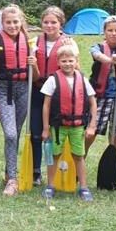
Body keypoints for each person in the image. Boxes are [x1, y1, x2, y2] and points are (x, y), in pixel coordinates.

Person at [40, 41, 98, 202]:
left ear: (76, 61)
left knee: (79, 156)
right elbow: (46, 106)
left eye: (70, 60)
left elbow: (93, 103)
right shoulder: (52, 80)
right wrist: (46, 128)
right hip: (58, 127)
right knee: (55, 154)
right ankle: (50, 185)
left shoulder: (83, 80)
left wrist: (92, 125)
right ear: (58, 62)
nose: (67, 64)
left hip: (78, 126)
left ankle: (84, 187)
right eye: (64, 61)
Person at [0, 5, 31, 196]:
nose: (12, 26)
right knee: (11, 134)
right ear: (2, 23)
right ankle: (12, 180)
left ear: (21, 22)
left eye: (15, 22)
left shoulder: (29, 41)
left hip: (23, 89)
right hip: (4, 89)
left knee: (17, 132)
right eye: (8, 22)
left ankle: (9, 173)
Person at [28, 6, 69, 186]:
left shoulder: (68, 43)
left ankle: (60, 169)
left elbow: (74, 71)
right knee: (36, 133)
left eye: (54, 22)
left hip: (58, 93)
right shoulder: (34, 43)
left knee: (58, 133)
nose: (49, 25)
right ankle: (36, 171)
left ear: (61, 24)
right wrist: (34, 64)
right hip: (38, 91)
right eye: (46, 22)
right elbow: (35, 77)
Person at [89, 15, 116, 155]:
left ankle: (112, 159)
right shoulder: (97, 47)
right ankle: (80, 159)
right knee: (91, 131)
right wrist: (110, 59)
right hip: (100, 96)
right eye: (110, 30)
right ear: (104, 31)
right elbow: (97, 56)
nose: (114, 34)